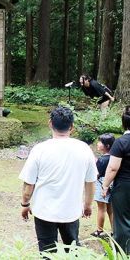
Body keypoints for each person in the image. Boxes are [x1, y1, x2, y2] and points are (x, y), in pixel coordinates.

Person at [19, 106, 97, 253]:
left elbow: (28, 184)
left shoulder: (40, 149)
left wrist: (25, 203)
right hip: (71, 211)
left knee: (48, 252)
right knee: (72, 250)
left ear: (50, 123)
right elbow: (91, 182)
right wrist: (87, 205)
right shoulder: (84, 149)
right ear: (72, 127)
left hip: (44, 211)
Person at [102, 106, 130, 253]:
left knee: (122, 221)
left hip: (124, 187)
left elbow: (113, 167)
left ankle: (121, 252)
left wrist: (105, 185)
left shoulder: (121, 142)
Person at [91, 133, 115, 238]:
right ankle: (115, 231)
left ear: (107, 146)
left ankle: (99, 230)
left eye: (100, 142)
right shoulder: (114, 158)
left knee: (101, 208)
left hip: (102, 185)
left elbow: (96, 174)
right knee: (111, 209)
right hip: (112, 185)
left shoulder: (102, 160)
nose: (98, 143)